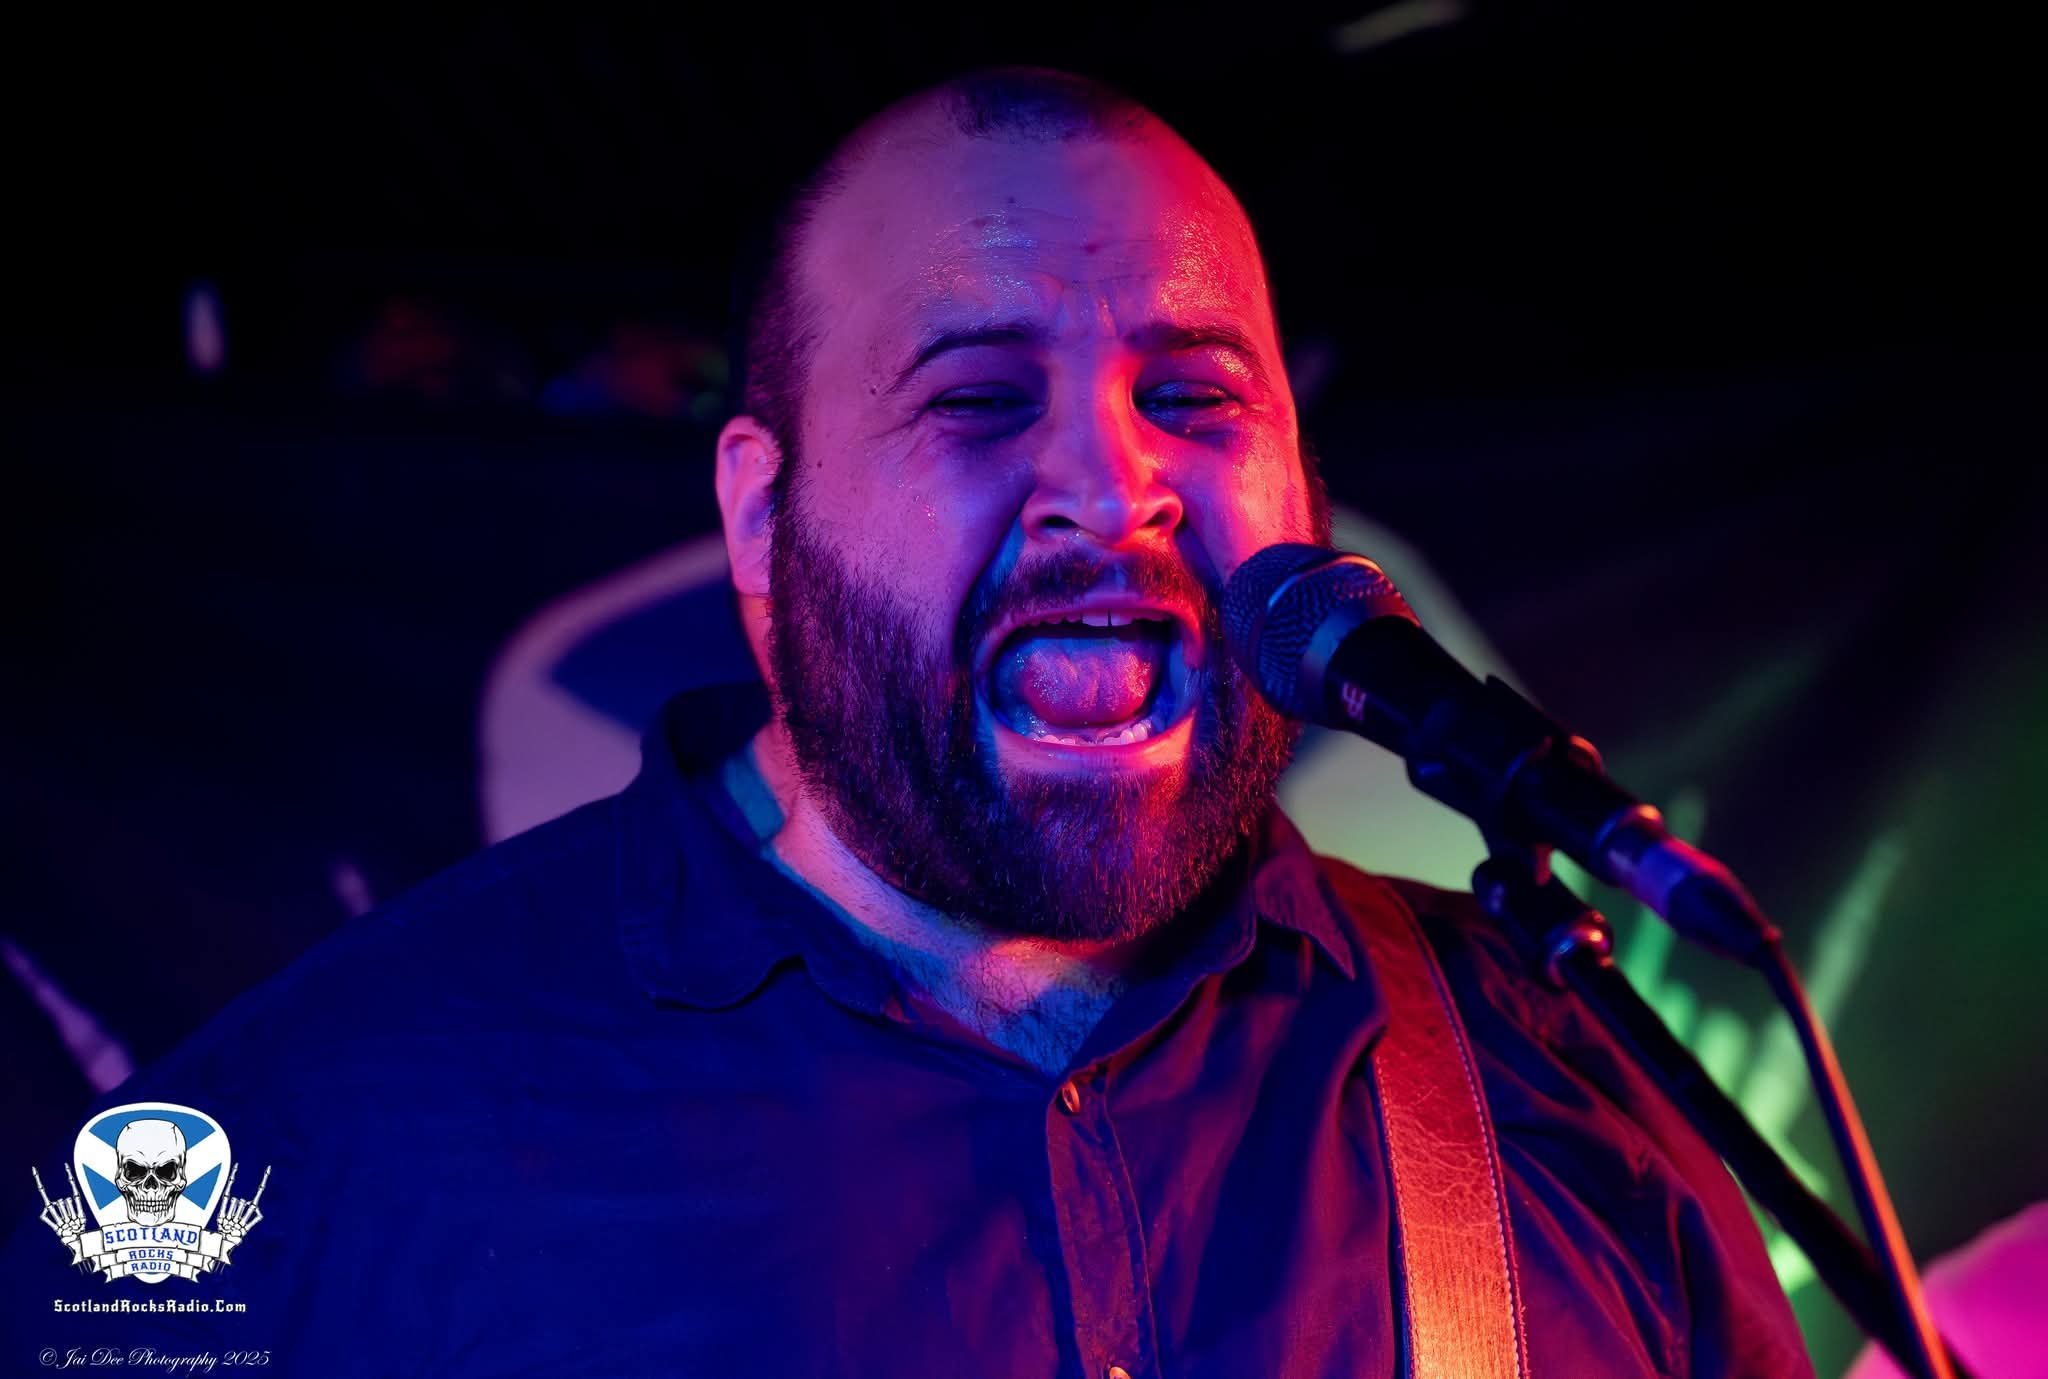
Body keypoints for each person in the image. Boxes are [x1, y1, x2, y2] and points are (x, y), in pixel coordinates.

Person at [3, 69, 1813, 1377]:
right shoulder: (343, 1117)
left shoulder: (1552, 1083)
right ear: (758, 524)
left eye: (1191, 393)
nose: (1113, 489)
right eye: (977, 400)